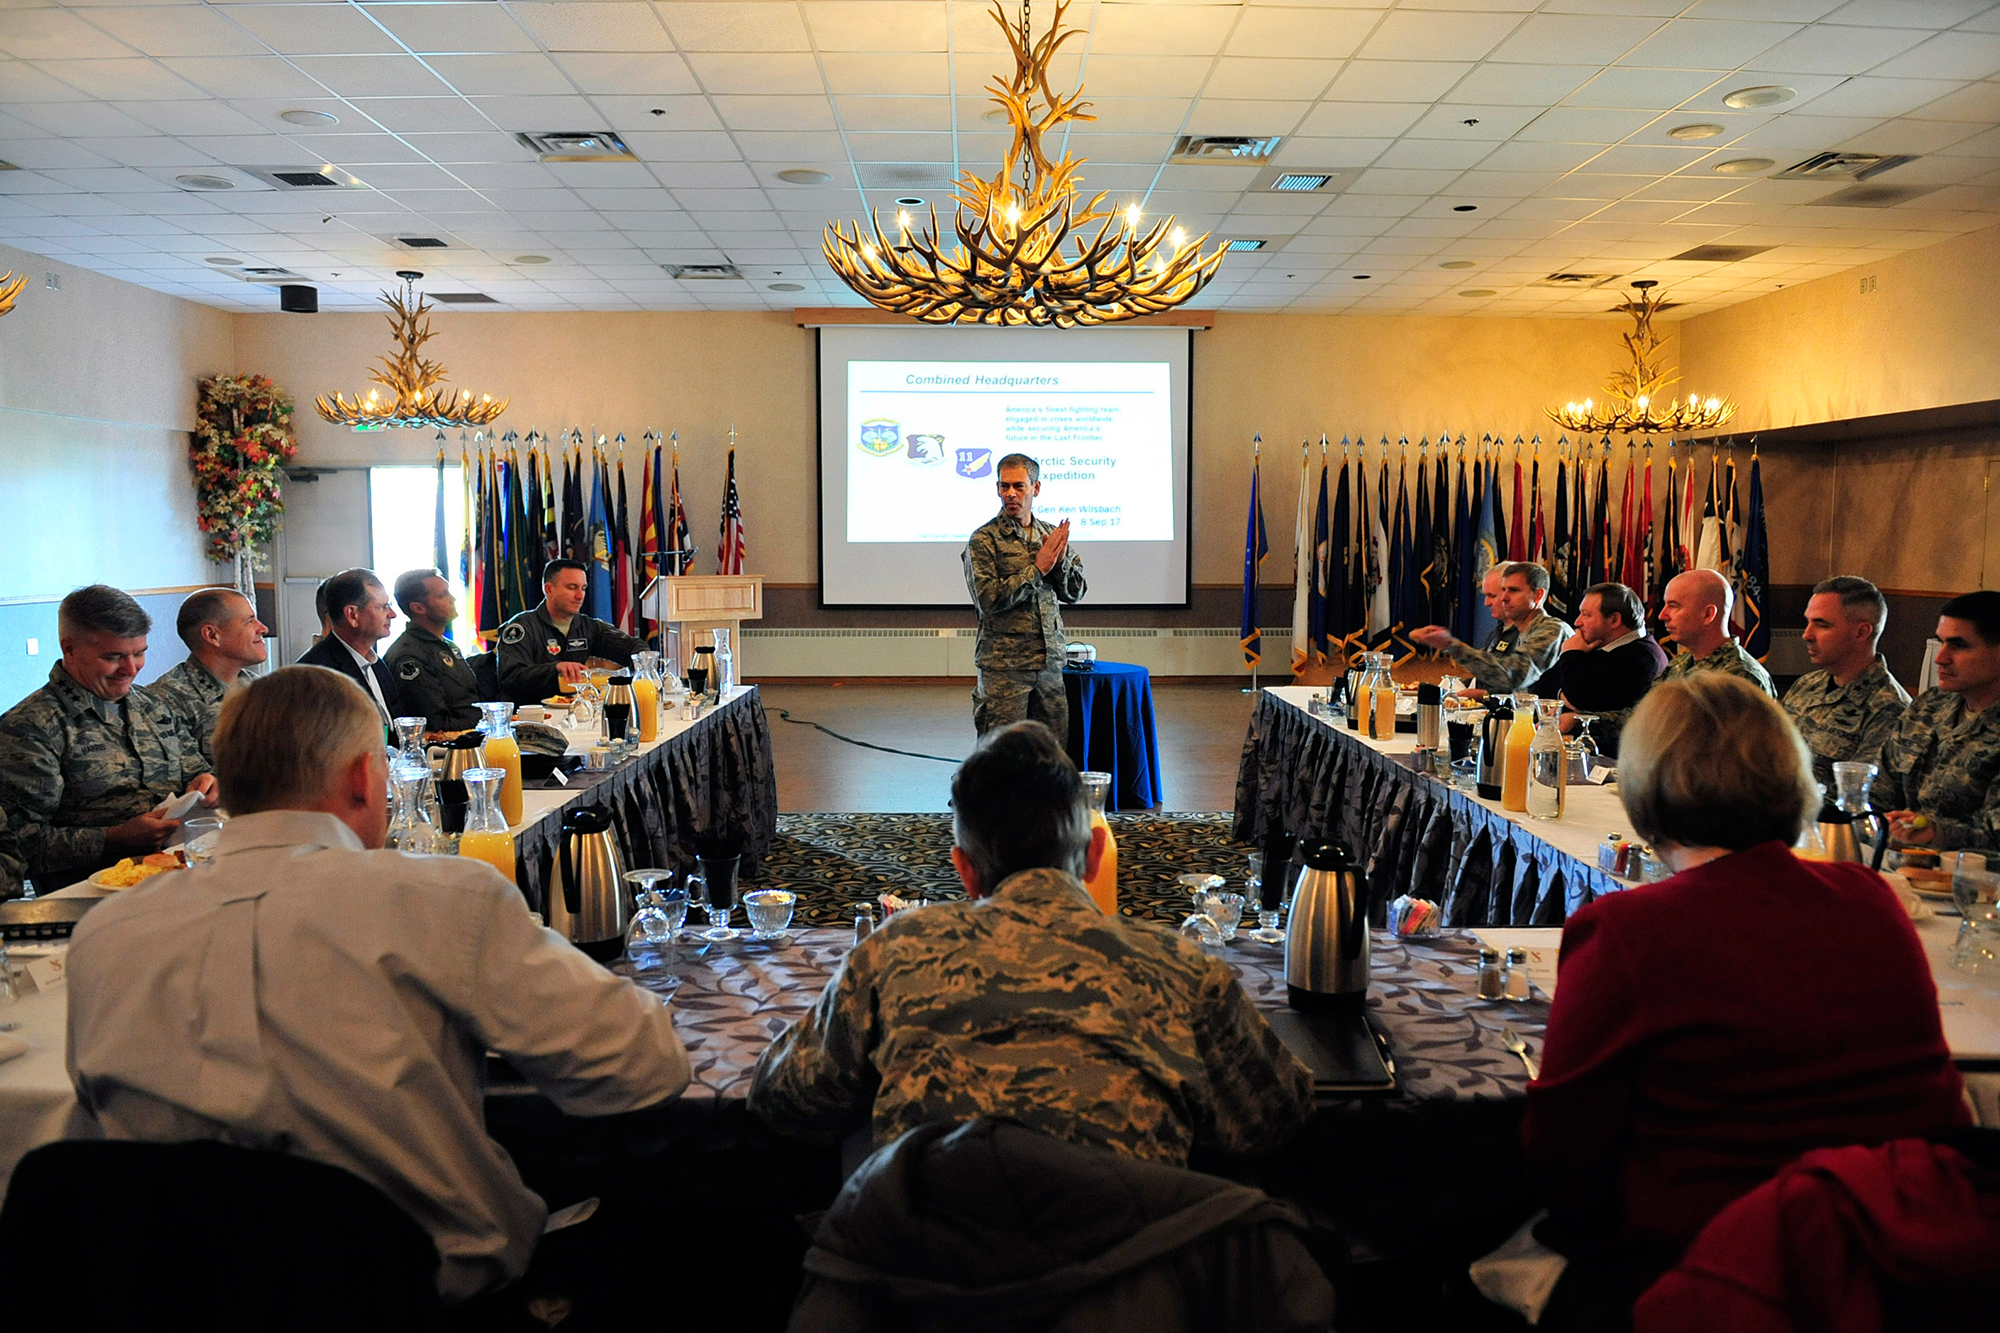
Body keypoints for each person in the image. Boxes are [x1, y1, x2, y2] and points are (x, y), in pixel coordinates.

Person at [65, 665, 691, 1306]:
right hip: (417, 1300)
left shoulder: (104, 935)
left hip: (174, 1305)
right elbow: (643, 1067)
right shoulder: (438, 899)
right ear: (366, 778)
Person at [1522, 675, 1966, 1332]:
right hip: (1891, 1261)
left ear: (1645, 784)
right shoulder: (1870, 897)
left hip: (1706, 1272)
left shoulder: (1628, 928)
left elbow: (1563, 1154)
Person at [749, 721, 1312, 1166]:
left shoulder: (894, 952)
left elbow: (784, 1098)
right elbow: (1276, 1116)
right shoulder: (1181, 970)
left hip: (928, 1268)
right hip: (1129, 1268)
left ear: (965, 871)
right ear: (1095, 856)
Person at [0, 585, 216, 885]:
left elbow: (195, 771)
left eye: (139, 653)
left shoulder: (153, 706)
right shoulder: (30, 727)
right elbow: (17, 845)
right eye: (113, 657)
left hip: (173, 877)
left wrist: (207, 782)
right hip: (87, 891)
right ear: (69, 649)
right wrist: (112, 839)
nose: (130, 669)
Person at [961, 454, 1087, 738]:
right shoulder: (984, 540)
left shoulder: (1050, 535)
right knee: (1003, 754)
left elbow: (1076, 592)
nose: (1010, 493)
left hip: (1049, 667)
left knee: (1051, 752)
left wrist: (1060, 563)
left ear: (1035, 488)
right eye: (1004, 486)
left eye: (1018, 486)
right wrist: (1037, 569)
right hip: (1005, 670)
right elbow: (988, 600)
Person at [1877, 589, 2000, 852]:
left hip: (1972, 873)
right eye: (1940, 642)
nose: (1940, 658)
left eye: (1959, 645)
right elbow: (1880, 790)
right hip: (1895, 860)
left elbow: (1996, 835)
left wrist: (1936, 833)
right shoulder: (1929, 706)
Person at [1782, 575, 1911, 791]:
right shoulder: (1807, 685)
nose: (1806, 635)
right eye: (1808, 622)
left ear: (1861, 632)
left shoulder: (1889, 708)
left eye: (1821, 625)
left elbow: (1861, 797)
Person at [144, 587, 269, 764]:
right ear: (212, 635)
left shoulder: (260, 688)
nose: (263, 628)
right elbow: (189, 776)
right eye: (249, 621)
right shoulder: (164, 701)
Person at [495, 559, 643, 705]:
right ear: (549, 589)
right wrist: (555, 669)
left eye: (583, 588)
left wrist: (644, 665)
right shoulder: (521, 627)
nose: (580, 596)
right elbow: (509, 678)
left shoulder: (588, 626)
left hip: (577, 711)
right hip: (530, 714)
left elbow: (632, 646)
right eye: (572, 587)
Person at [1411, 561, 1570, 695]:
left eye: (1514, 590)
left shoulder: (1553, 630)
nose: (1504, 598)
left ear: (1538, 595)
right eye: (1504, 590)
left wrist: (1451, 645)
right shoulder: (1515, 630)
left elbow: (1513, 676)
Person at [1544, 582, 1668, 748]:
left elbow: (1580, 698)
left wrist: (1571, 654)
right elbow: (1544, 684)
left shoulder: (1641, 657)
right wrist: (1563, 695)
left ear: (1614, 620)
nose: (1577, 622)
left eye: (1586, 615)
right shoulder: (1596, 645)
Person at [295, 567, 404, 725]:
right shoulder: (316, 674)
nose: (392, 614)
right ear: (353, 615)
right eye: (383, 607)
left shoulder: (377, 665)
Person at [383, 569, 481, 733]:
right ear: (418, 608)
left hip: (474, 734)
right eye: (443, 595)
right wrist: (483, 723)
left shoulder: (447, 646)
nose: (453, 599)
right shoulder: (409, 657)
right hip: (446, 744)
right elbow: (435, 724)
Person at [1654, 569, 1774, 695]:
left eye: (1673, 606)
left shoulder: (1740, 678)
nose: (1662, 616)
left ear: (1708, 614)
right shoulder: (1680, 663)